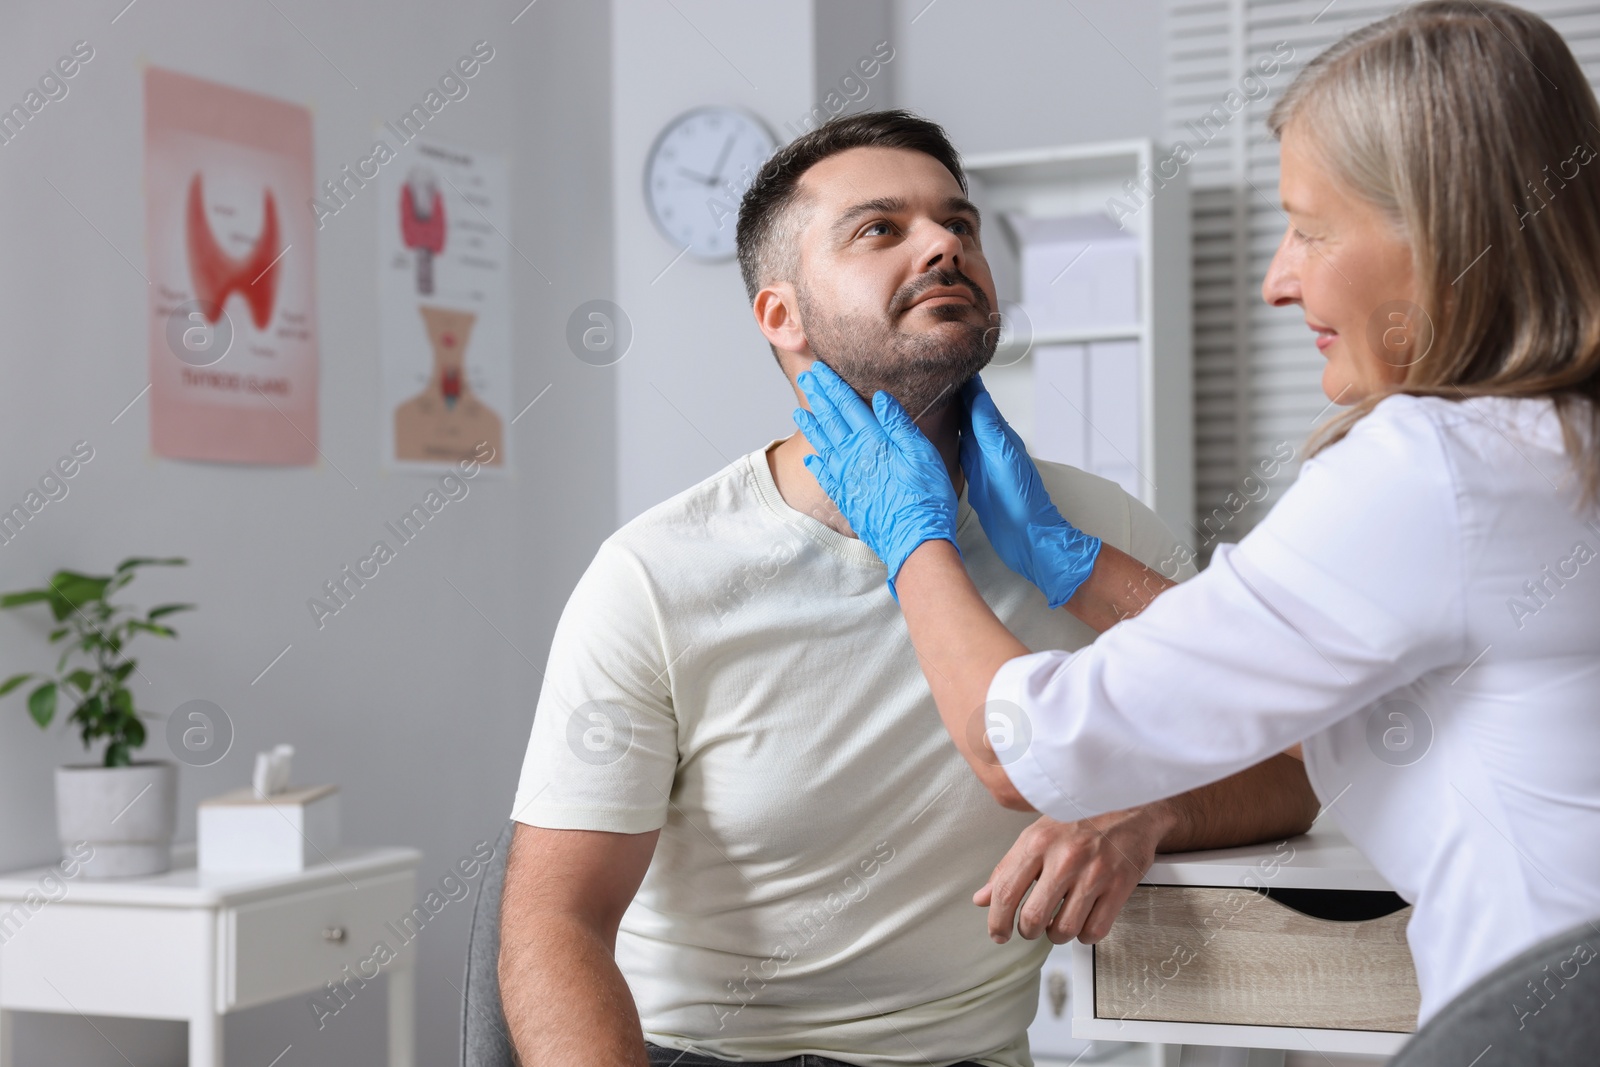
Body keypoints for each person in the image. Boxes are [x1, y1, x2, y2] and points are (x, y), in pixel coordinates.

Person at [796, 0, 1600, 1030]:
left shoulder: (1436, 471)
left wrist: (913, 539)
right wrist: (1072, 566)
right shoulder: (1550, 446)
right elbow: (1308, 684)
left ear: (1442, 237)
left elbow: (1025, 749)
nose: (1275, 279)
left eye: (1310, 229)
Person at [498, 110, 1319, 1067]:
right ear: (781, 314)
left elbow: (1295, 768)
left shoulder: (1096, 535)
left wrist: (1147, 812)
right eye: (880, 229)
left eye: (960, 224)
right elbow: (554, 921)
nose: (943, 244)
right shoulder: (656, 574)